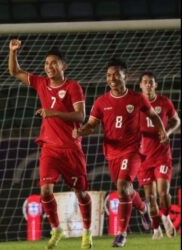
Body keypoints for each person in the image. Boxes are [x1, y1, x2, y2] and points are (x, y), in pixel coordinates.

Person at [73, 57, 169, 247]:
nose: (112, 78)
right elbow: (91, 125)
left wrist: (162, 131)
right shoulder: (101, 102)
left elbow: (153, 115)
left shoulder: (136, 98)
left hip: (132, 151)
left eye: (116, 74)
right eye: (109, 75)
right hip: (111, 153)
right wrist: (80, 131)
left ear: (126, 76)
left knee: (123, 186)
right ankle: (143, 209)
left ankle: (121, 233)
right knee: (127, 190)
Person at [9, 39, 93, 249]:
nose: (49, 66)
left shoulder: (73, 86)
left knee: (81, 193)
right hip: (49, 148)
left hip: (71, 149)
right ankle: (56, 229)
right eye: (46, 63)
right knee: (45, 191)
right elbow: (15, 72)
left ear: (64, 66)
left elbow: (81, 116)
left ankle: (87, 232)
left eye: (54, 63)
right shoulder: (41, 83)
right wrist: (13, 52)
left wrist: (53, 113)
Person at [137, 71, 180, 240]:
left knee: (163, 192)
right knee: (150, 197)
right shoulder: (135, 105)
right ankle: (156, 229)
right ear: (140, 85)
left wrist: (167, 132)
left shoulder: (164, 102)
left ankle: (166, 217)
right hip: (143, 158)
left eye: (151, 82)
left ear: (155, 85)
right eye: (145, 82)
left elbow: (177, 120)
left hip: (162, 154)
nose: (148, 84)